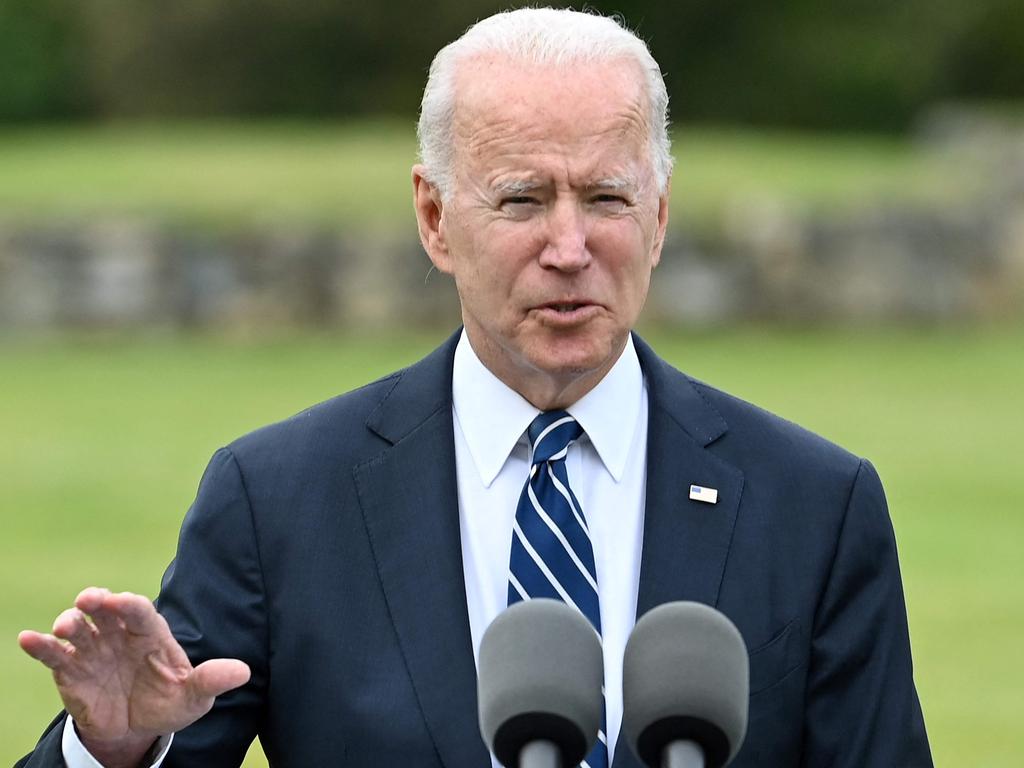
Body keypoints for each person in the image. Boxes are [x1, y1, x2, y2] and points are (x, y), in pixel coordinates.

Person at [17, 7, 932, 768]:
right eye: (523, 200)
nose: (569, 249)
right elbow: (167, 723)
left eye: (607, 200)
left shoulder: (814, 505)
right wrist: (118, 747)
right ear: (434, 217)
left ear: (658, 218)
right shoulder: (281, 499)